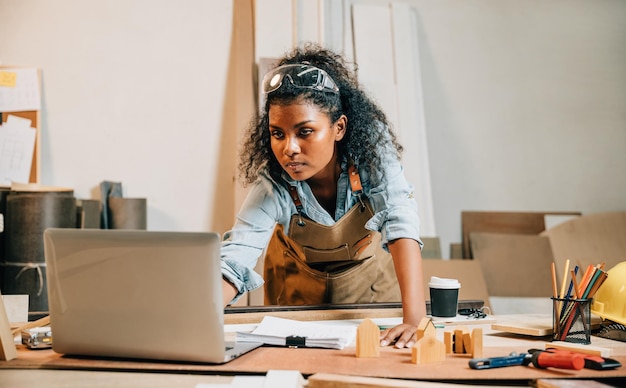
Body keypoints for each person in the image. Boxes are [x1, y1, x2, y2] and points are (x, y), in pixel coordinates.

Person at [220, 43, 426, 348]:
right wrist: (198, 314)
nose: (288, 148)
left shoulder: (371, 159)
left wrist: (414, 320)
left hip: (369, 293)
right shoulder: (273, 183)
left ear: (339, 127)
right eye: (278, 133)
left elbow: (400, 221)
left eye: (304, 132)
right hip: (295, 300)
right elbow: (236, 258)